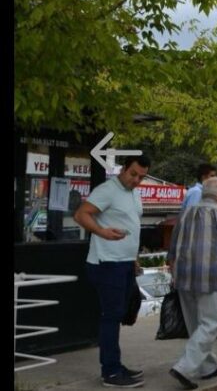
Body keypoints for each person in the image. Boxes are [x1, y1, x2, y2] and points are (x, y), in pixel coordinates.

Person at [73, 155, 151, 388]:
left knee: (119, 315)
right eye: (133, 174)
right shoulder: (107, 190)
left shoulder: (134, 193)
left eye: (141, 177)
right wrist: (101, 231)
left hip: (124, 262)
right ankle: (111, 372)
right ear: (123, 169)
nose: (136, 180)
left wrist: (134, 259)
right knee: (112, 316)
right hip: (106, 262)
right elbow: (81, 214)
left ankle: (114, 364)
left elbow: (132, 226)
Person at [166, 177, 217, 390]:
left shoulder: (185, 213)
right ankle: (184, 367)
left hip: (183, 277)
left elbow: (171, 248)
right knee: (210, 324)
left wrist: (173, 272)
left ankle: (207, 367)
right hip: (212, 277)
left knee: (195, 325)